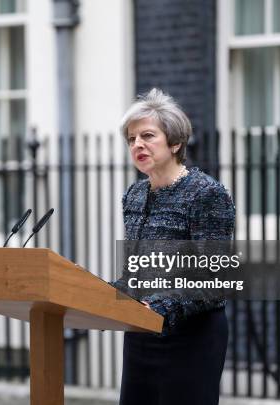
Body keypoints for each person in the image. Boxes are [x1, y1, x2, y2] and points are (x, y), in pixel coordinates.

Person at [112, 88, 235, 405]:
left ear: (176, 142)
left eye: (147, 135)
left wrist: (162, 306)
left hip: (190, 338)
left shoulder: (206, 194)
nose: (137, 144)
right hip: (141, 333)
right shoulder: (134, 196)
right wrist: (102, 292)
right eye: (131, 139)